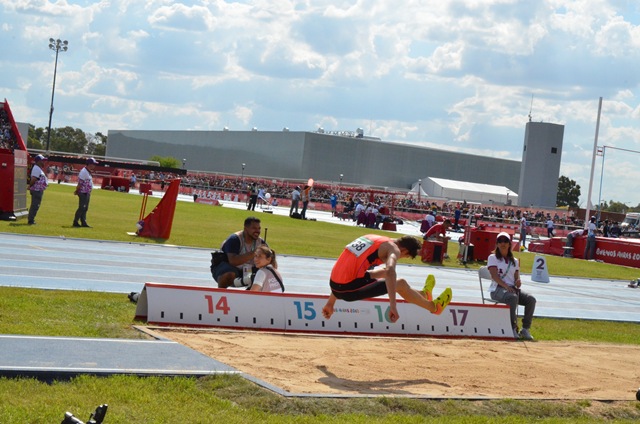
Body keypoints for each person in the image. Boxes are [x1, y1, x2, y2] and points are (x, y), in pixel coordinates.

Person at [322, 234, 452, 323]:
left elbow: (345, 269)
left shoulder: (372, 238)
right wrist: (393, 306)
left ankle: (423, 295)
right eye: (404, 257)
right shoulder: (393, 249)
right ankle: (434, 307)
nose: (400, 258)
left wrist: (330, 302)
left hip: (335, 284)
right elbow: (391, 271)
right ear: (404, 250)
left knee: (382, 272)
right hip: (347, 289)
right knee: (399, 283)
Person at [488, 232, 536, 340]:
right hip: (497, 289)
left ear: (509, 244)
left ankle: (525, 329)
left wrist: (518, 281)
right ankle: (512, 327)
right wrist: (506, 286)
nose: (503, 243)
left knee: (531, 299)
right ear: (497, 244)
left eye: (505, 241)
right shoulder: (492, 257)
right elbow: (494, 276)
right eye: (500, 241)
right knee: (512, 297)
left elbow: (516, 278)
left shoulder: (514, 261)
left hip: (511, 289)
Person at [211, 216, 267, 288]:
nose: (257, 231)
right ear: (245, 228)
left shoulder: (261, 242)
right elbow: (233, 261)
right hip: (228, 268)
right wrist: (255, 252)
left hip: (249, 270)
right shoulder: (235, 239)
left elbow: (270, 261)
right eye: (254, 228)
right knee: (228, 274)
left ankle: (251, 296)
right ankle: (221, 294)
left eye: (259, 228)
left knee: (265, 274)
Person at [73, 157, 98, 228]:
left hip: (87, 192)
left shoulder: (88, 171)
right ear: (89, 164)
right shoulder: (84, 172)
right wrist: (77, 191)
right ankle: (75, 221)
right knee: (81, 207)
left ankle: (83, 222)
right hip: (83, 192)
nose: (94, 165)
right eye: (93, 164)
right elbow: (80, 183)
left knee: (85, 208)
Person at [27, 154, 48, 225]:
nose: (44, 162)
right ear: (38, 161)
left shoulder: (38, 168)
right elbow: (33, 179)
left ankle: (31, 219)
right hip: (36, 190)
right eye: (43, 161)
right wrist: (30, 186)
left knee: (36, 205)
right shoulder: (36, 168)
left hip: (38, 190)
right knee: (35, 205)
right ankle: (31, 220)